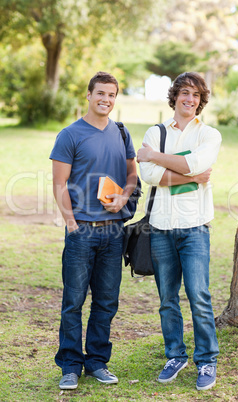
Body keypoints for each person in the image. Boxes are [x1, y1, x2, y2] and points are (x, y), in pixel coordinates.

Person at [50, 71, 137, 390]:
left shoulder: (121, 132)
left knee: (107, 301)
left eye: (112, 95)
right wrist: (71, 222)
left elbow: (132, 175)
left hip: (114, 233)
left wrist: (125, 197)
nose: (106, 99)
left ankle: (97, 362)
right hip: (81, 232)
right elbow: (59, 184)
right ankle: (70, 365)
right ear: (88, 95)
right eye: (100, 93)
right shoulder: (70, 134)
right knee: (73, 300)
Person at [137, 72, 221, 391]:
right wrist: (189, 174)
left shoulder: (209, 135)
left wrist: (157, 158)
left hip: (195, 228)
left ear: (201, 101)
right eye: (185, 93)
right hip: (160, 228)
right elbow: (149, 174)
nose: (190, 99)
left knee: (199, 295)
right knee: (167, 298)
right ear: (175, 97)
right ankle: (175, 354)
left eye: (196, 95)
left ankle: (207, 360)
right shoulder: (155, 131)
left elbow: (195, 165)